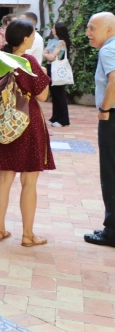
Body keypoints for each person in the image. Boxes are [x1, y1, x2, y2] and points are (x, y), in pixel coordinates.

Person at [0, 19, 53, 247]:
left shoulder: (0, 60)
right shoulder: (29, 61)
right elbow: (43, 96)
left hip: (6, 123)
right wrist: (44, 73)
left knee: (5, 179)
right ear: (25, 38)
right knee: (29, 182)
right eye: (33, 33)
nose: (34, 36)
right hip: (28, 123)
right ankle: (27, 235)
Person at [84, 12, 115, 248]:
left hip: (112, 117)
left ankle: (112, 231)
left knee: (110, 172)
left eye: (92, 28)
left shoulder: (107, 50)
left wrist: (104, 109)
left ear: (109, 30)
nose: (88, 33)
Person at [44, 22, 71, 127]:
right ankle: (55, 117)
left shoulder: (61, 42)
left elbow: (51, 56)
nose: (52, 29)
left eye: (54, 28)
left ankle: (63, 120)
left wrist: (47, 54)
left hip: (58, 69)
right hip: (51, 67)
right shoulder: (52, 41)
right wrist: (48, 54)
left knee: (60, 94)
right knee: (54, 94)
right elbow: (47, 54)